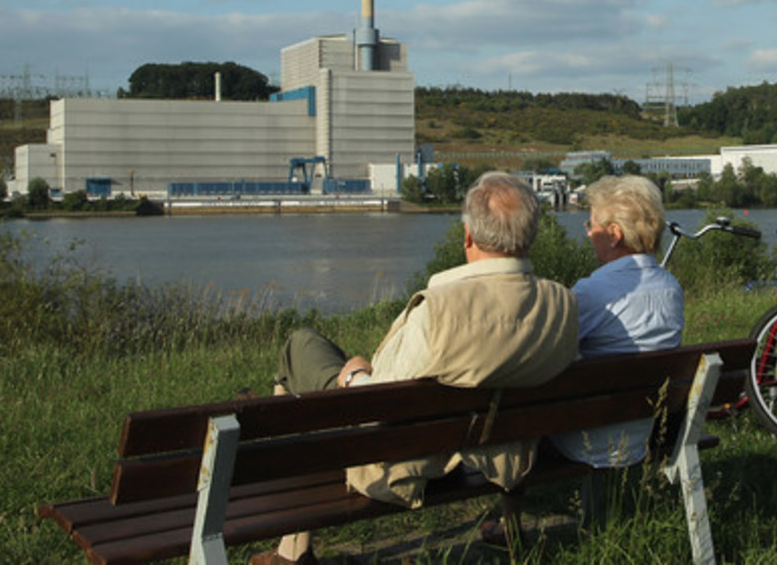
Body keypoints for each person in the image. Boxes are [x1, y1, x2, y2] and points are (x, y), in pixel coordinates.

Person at [251, 171, 579, 565]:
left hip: (411, 463)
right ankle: (508, 526)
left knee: (300, 346)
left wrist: (352, 375)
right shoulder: (563, 305)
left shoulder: (438, 312)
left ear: (468, 237)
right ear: (530, 235)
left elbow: (377, 408)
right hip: (502, 457)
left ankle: (292, 550)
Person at [549, 174, 685, 471]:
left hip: (587, 437)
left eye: (591, 225)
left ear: (613, 234)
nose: (588, 234)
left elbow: (550, 355)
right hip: (644, 431)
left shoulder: (591, 292)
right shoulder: (671, 287)